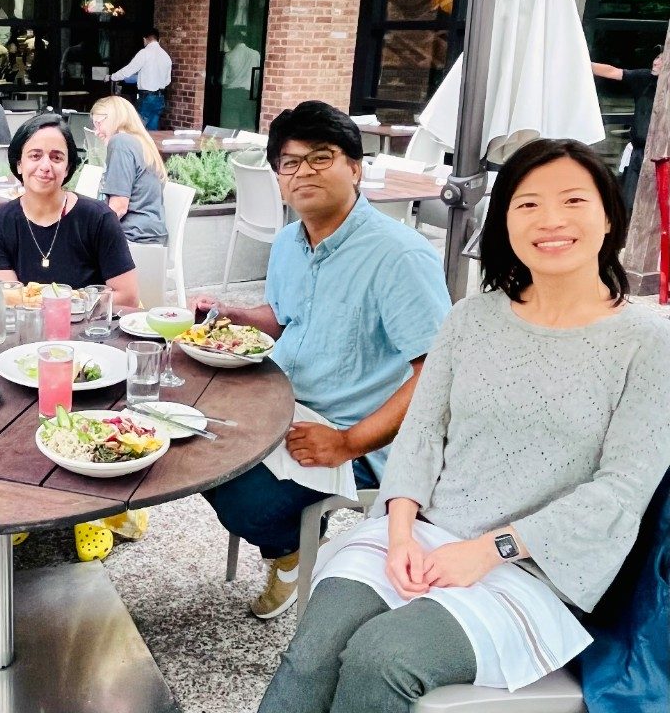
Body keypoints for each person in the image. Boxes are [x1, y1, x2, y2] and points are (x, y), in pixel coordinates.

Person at [258, 138, 670, 713]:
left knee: (384, 658)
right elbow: (422, 433)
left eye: (573, 200)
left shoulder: (650, 340)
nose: (550, 220)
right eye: (527, 204)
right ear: (504, 220)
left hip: (540, 567)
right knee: (315, 647)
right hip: (423, 533)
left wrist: (488, 550)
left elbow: (622, 489)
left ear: (608, 216)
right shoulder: (470, 318)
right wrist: (399, 530)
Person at [194, 100, 451, 620]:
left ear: (355, 167)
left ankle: (291, 557)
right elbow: (286, 317)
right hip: (282, 403)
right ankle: (288, 544)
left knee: (246, 499)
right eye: (290, 162)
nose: (303, 172)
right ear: (278, 177)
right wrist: (234, 314)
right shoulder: (291, 240)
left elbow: (438, 375)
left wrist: (347, 444)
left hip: (354, 435)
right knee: (188, 445)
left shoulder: (398, 256)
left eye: (321, 158)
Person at [0, 113, 139, 307]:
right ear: (19, 164)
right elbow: (9, 297)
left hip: (88, 330)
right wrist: (73, 300)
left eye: (56, 157)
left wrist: (60, 306)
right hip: (27, 332)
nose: (45, 166)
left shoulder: (98, 218)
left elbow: (127, 295)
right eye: (35, 156)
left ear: (67, 167)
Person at [90, 96, 168, 244]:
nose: (96, 131)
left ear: (114, 118)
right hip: (149, 236)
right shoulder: (140, 142)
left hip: (133, 238)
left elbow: (118, 207)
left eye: (98, 123)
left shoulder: (120, 142)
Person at [591, 52, 663, 207]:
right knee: (630, 200)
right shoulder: (644, 78)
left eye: (662, 59)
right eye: (656, 57)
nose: (656, 62)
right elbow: (612, 72)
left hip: (663, 156)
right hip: (639, 153)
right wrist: (581, 64)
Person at [109, 28, 173, 130]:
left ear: (145, 39)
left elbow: (128, 70)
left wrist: (112, 77)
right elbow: (167, 81)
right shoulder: (166, 56)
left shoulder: (144, 53)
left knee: (140, 128)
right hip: (160, 97)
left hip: (147, 96)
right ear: (159, 40)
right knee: (153, 129)